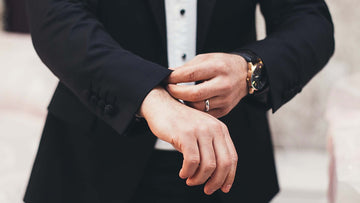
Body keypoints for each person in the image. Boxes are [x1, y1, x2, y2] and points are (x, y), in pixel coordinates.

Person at [24, 0, 334, 202]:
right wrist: (148, 95)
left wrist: (249, 70)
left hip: (229, 165)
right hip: (88, 162)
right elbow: (57, 17)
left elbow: (310, 20)